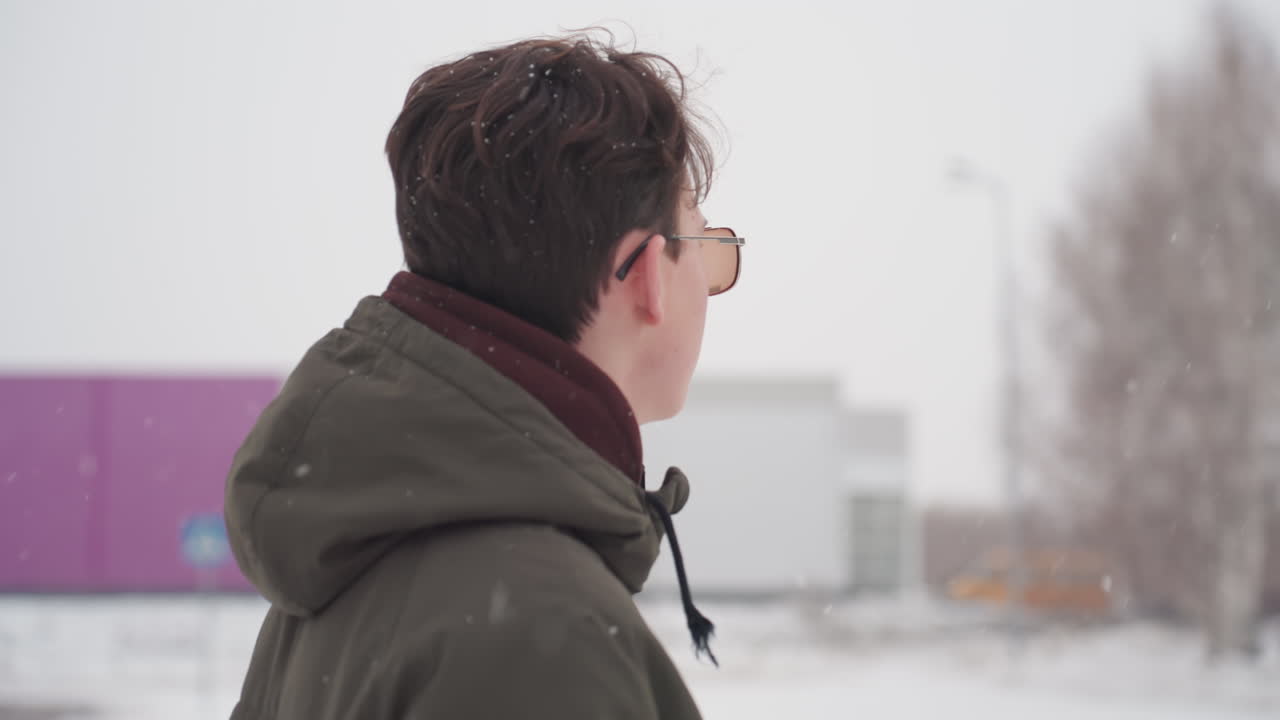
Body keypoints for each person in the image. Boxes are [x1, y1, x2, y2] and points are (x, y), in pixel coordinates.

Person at [224, 30, 744, 720]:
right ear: (649, 275)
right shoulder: (544, 635)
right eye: (708, 248)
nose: (711, 285)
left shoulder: (345, 568)